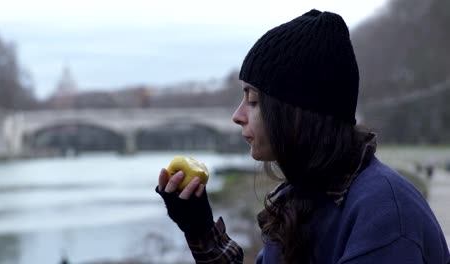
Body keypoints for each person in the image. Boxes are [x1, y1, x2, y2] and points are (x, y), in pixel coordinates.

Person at [156, 9, 450, 263]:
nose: (237, 115)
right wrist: (200, 229)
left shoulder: (385, 217)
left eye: (254, 100)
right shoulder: (302, 196)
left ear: (297, 112)